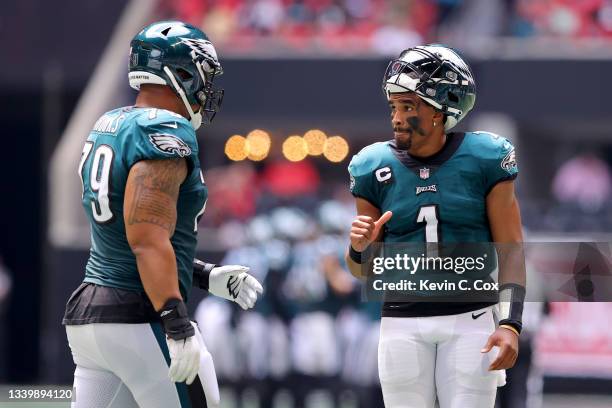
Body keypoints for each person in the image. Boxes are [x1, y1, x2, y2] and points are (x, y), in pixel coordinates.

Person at [63, 21, 263, 408]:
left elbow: (128, 235)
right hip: (140, 316)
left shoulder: (111, 123)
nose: (206, 87)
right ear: (182, 73)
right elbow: (146, 238)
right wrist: (176, 324)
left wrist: (203, 274)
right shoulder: (165, 128)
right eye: (203, 74)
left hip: (93, 319)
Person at [345, 44, 526, 408]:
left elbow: (511, 249)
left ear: (444, 109)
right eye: (394, 106)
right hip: (401, 322)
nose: (396, 117)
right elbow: (362, 271)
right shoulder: (372, 165)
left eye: (409, 106)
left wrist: (510, 324)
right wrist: (359, 248)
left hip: (470, 318)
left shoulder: (484, 158)